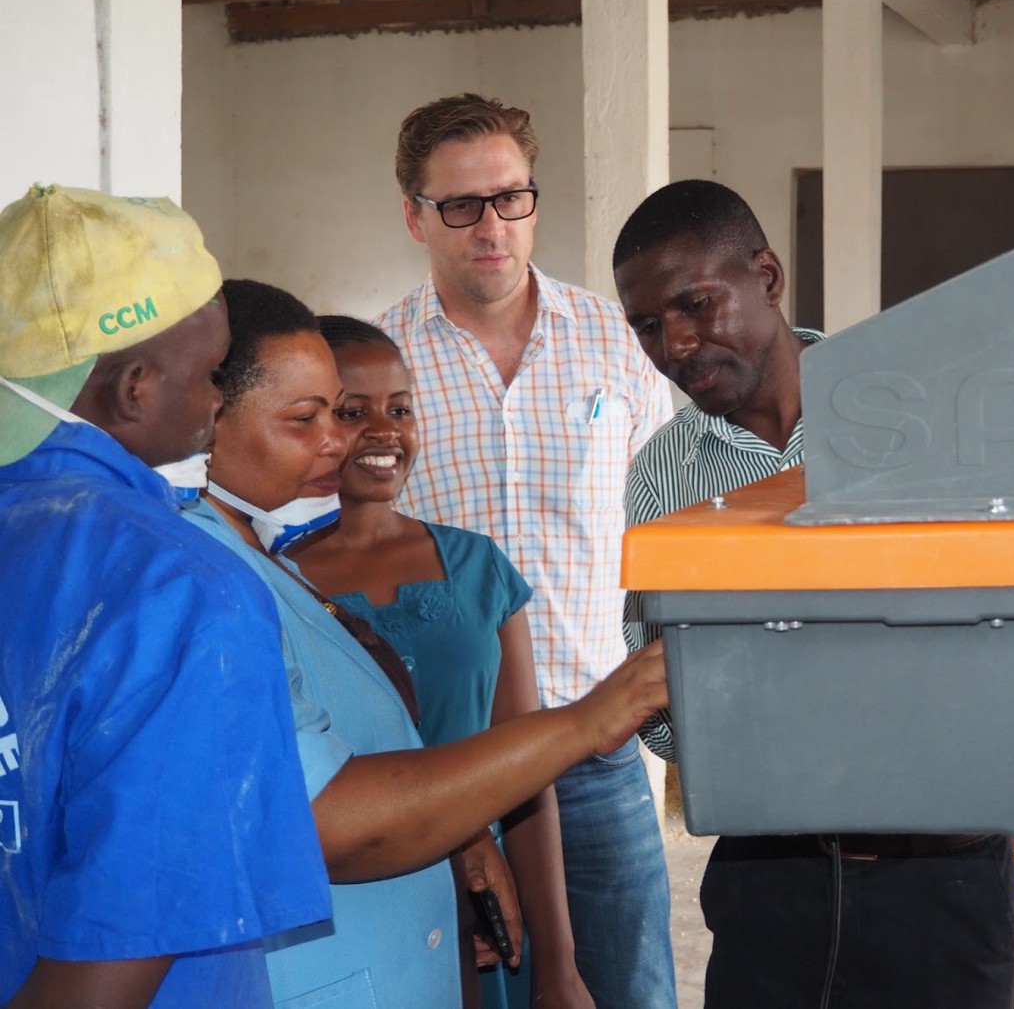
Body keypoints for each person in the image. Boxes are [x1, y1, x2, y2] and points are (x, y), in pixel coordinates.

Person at [188, 278, 665, 1009]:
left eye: (390, 409)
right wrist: (586, 723)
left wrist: (466, 836)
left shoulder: (264, 558)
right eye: (311, 416)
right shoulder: (214, 577)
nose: (338, 441)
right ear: (210, 416)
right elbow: (330, 818)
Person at [614, 180, 1014, 1009]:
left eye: (697, 304)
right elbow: (661, 701)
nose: (677, 345)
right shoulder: (664, 472)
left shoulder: (925, 418)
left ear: (767, 276)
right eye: (649, 326)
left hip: (941, 873)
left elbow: (1007, 638)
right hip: (770, 878)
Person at [0, 185, 331, 1008]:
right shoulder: (186, 593)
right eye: (215, 371)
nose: (220, 397)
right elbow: (111, 963)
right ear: (136, 389)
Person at [379, 92, 676, 1006]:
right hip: (446, 762)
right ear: (414, 216)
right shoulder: (376, 367)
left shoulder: (618, 346)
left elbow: (666, 534)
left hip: (598, 752)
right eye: (460, 205)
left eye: (510, 198)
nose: (490, 227)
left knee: (628, 988)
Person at [291, 314, 589, 1009]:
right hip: (359, 901)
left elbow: (529, 776)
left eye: (400, 408)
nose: (384, 430)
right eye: (351, 410)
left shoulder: (479, 567)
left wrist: (558, 965)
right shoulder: (281, 582)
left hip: (495, 902)